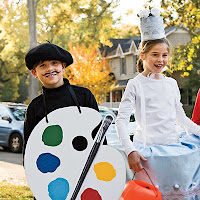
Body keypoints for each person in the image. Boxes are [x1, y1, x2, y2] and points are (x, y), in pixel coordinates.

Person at [116, 7, 200, 200]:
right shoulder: (135, 84)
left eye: (164, 55)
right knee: (150, 195)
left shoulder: (171, 84)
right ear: (143, 55)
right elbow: (121, 121)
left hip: (171, 150)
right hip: (148, 154)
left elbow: (182, 120)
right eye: (155, 54)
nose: (160, 60)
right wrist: (131, 150)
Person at [23, 43, 102, 159]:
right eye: (43, 65)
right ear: (34, 73)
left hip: (85, 164)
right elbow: (29, 149)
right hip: (53, 170)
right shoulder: (35, 107)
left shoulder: (84, 95)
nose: (50, 69)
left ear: (63, 66)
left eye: (54, 63)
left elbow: (99, 136)